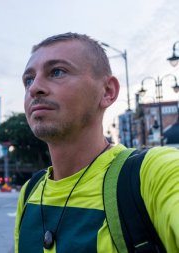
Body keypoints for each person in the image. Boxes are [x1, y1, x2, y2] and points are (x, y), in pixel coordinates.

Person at [14, 32, 179, 252]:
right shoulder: (29, 192)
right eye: (28, 80)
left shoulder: (154, 173)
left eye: (57, 72)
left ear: (108, 91)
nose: (34, 88)